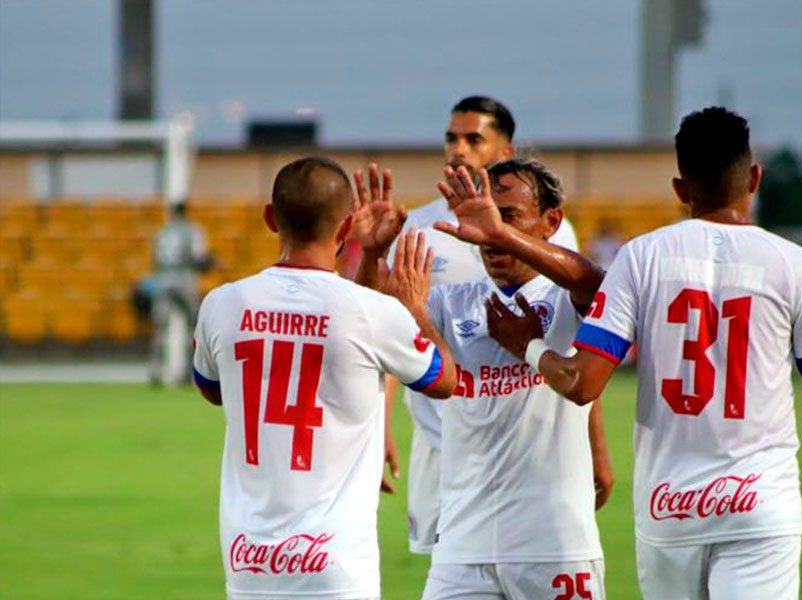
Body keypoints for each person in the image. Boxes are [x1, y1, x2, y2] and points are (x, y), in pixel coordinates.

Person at [487, 108, 802, 599]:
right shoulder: (794, 265)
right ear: (754, 178)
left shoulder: (641, 256)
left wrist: (528, 345)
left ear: (680, 189)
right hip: (758, 506)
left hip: (670, 508)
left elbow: (582, 384)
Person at [191, 157, 456, 600]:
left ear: (270, 218)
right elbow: (444, 381)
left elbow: (211, 390)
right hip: (335, 567)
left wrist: (369, 256)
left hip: (247, 563)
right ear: (346, 226)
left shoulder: (221, 304)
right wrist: (414, 307)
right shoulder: (373, 313)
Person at [371, 95, 612, 558]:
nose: (458, 149)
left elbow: (585, 331)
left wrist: (595, 445)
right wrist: (379, 426)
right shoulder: (418, 225)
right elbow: (395, 323)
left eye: (473, 138)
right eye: (451, 138)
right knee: (454, 565)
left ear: (505, 150)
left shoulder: (551, 233)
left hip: (532, 435)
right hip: (442, 435)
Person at [149, 201, 212, 385]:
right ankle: (187, 372)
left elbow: (154, 259)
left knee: (161, 327)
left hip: (163, 279)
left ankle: (155, 369)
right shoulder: (192, 231)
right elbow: (197, 256)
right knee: (192, 326)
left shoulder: (162, 233)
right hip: (184, 278)